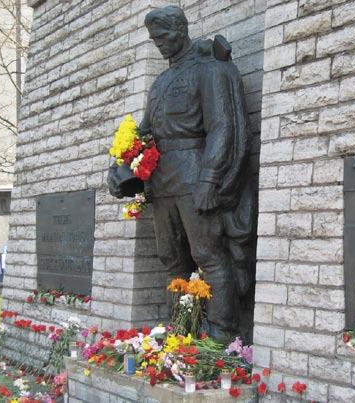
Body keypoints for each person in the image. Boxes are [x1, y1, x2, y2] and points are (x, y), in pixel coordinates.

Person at [108, 6, 255, 342]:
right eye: (153, 38)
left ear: (181, 30)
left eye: (163, 36)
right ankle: (182, 331)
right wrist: (121, 168)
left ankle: (221, 336)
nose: (158, 43)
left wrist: (209, 178)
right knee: (172, 258)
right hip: (161, 181)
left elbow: (222, 127)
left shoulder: (209, 71)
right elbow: (145, 132)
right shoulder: (160, 82)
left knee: (209, 256)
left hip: (194, 174)